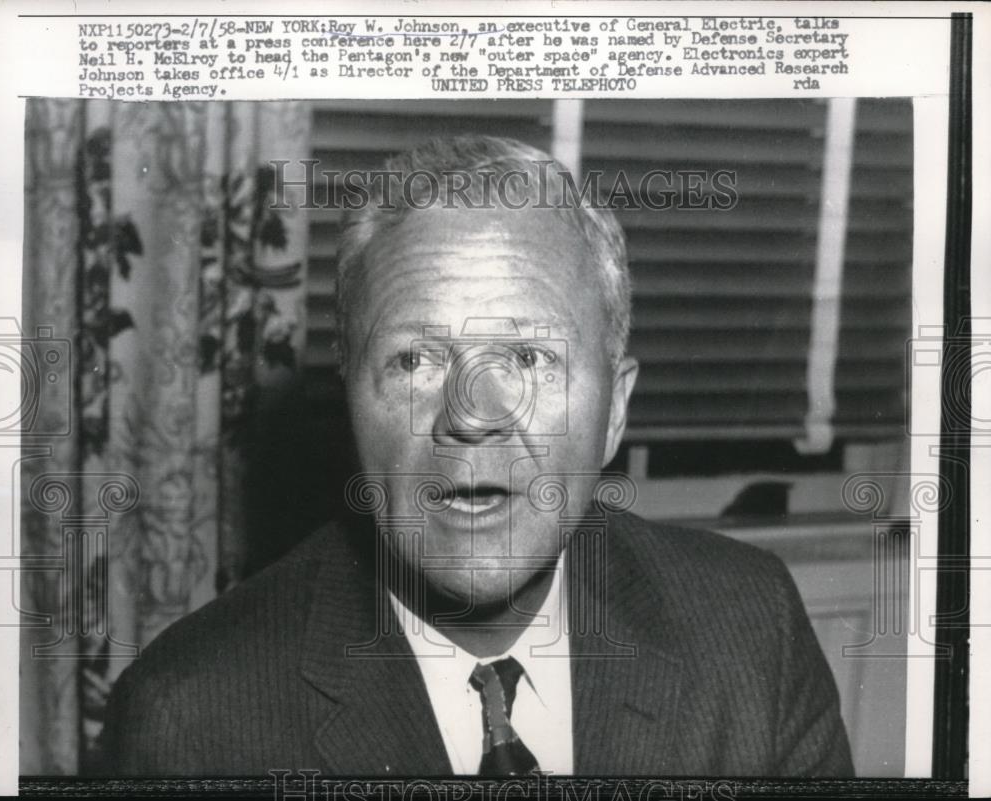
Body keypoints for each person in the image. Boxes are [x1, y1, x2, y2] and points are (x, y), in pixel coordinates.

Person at [102, 135, 853, 777]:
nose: (473, 416)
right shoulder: (190, 720)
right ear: (350, 406)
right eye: (415, 360)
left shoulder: (753, 630)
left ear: (616, 411)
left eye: (530, 358)